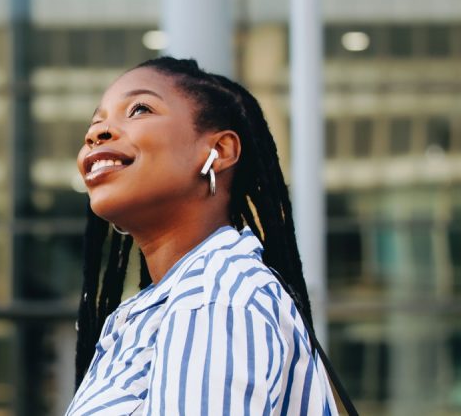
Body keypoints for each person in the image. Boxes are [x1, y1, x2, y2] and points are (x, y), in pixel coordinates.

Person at [66, 57, 342, 415]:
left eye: (139, 109)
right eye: (96, 122)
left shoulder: (214, 294)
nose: (96, 134)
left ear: (220, 151)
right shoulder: (165, 305)